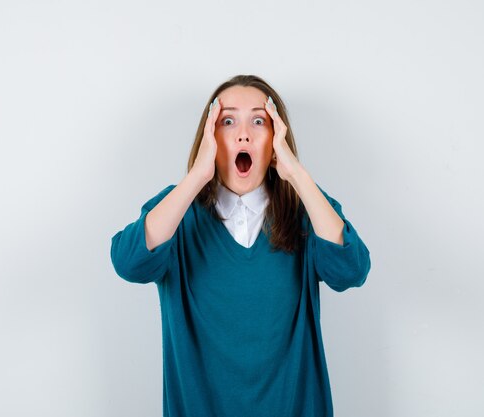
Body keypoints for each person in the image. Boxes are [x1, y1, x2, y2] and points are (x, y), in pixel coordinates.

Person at [110, 74, 371, 417]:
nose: (243, 133)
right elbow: (129, 262)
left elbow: (351, 271)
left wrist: (296, 174)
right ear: (209, 138)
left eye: (259, 121)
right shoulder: (176, 213)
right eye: (228, 121)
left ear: (278, 139)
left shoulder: (308, 212)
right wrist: (197, 177)